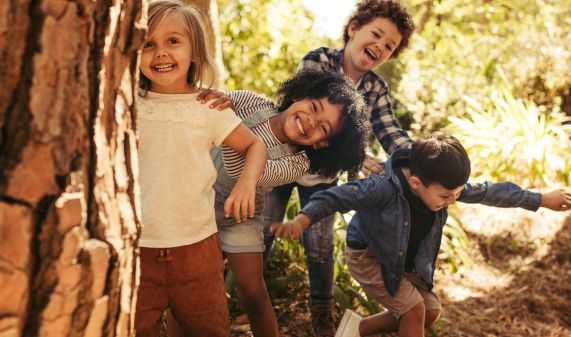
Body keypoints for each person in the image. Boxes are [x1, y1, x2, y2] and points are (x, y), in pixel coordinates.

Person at [272, 132, 571, 337]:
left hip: (401, 261)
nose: (453, 200)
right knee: (414, 310)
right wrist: (303, 219)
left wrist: (540, 199)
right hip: (368, 257)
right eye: (446, 196)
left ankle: (355, 330)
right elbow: (337, 197)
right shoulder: (383, 188)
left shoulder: (441, 184)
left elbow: (489, 192)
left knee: (429, 311)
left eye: (456, 193)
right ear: (416, 183)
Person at [259, 1, 416, 334]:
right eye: (377, 34)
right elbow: (300, 119)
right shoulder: (318, 62)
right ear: (354, 29)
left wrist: (419, 160)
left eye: (389, 46)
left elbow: (390, 132)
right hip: (281, 160)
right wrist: (355, 158)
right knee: (262, 230)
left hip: (321, 177)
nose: (380, 46)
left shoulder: (375, 89)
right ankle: (245, 298)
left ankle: (322, 312)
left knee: (319, 243)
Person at [134, 1, 268, 336]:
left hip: (197, 249)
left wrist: (246, 183)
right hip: (136, 249)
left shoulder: (209, 106)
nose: (160, 53)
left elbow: (255, 145)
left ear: (195, 51)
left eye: (173, 41)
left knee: (208, 329)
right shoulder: (125, 101)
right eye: (148, 44)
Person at [213, 69, 370, 337]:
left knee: (252, 292)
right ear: (299, 94)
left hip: (241, 217)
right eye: (313, 107)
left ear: (322, 144)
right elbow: (209, 107)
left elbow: (251, 172)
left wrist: (224, 125)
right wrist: (215, 103)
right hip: (199, 202)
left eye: (322, 127)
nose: (310, 121)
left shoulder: (298, 163)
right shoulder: (252, 104)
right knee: (198, 282)